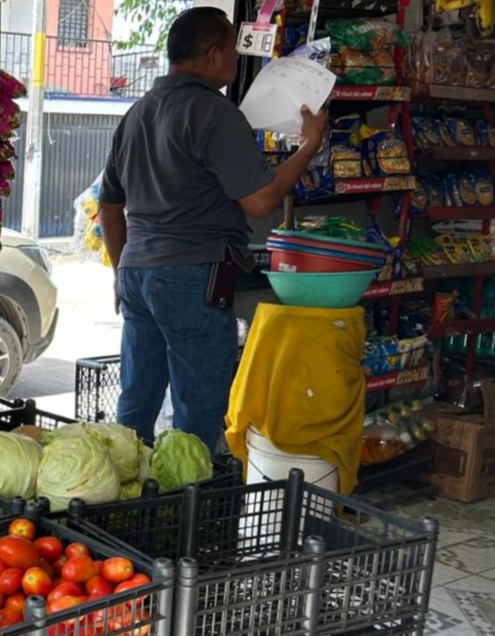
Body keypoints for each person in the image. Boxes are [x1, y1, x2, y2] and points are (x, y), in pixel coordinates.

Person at [98, 6, 329, 450]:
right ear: (211, 54)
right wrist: (309, 145)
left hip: (136, 273)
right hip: (192, 274)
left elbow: (109, 205)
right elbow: (261, 202)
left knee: (135, 405)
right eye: (233, 53)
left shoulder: (136, 114)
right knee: (199, 411)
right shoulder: (215, 113)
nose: (237, 62)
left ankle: (124, 507)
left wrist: (119, 271)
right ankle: (194, 509)